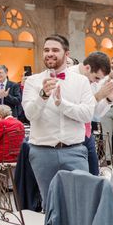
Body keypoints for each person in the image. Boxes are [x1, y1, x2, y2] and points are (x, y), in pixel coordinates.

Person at [22, 34, 95, 208]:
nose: (50, 53)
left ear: (66, 54)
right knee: (50, 203)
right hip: (42, 152)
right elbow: (29, 115)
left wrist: (62, 104)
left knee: (80, 203)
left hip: (75, 151)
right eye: (46, 50)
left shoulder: (81, 81)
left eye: (55, 50)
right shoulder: (33, 82)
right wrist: (43, 96)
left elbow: (87, 115)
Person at [69, 51, 113, 176]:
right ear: (87, 68)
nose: (96, 82)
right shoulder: (69, 76)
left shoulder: (93, 79)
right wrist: (99, 95)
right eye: (96, 78)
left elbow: (96, 112)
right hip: (72, 136)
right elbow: (76, 110)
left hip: (87, 134)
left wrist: (108, 99)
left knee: (94, 173)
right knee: (80, 176)